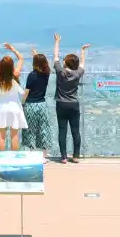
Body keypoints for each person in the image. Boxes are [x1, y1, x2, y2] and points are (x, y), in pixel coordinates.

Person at [53, 33, 89, 163]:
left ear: (66, 62)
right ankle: (76, 156)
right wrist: (83, 51)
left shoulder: (60, 72)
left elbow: (55, 57)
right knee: (75, 131)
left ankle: (63, 157)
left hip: (61, 104)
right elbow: (83, 64)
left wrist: (57, 41)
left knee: (62, 130)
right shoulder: (77, 74)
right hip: (73, 104)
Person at [0, 44, 27, 151]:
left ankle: (2, 156)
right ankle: (14, 156)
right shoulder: (15, 75)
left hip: (1, 108)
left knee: (1, 135)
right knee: (14, 135)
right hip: (15, 107)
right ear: (12, 66)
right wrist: (13, 49)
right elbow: (21, 58)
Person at [22, 48, 52, 160]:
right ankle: (44, 156)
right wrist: (36, 55)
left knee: (30, 129)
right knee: (43, 129)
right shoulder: (46, 74)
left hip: (30, 104)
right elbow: (45, 66)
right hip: (42, 105)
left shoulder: (31, 75)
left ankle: (31, 154)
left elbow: (26, 92)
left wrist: (22, 103)